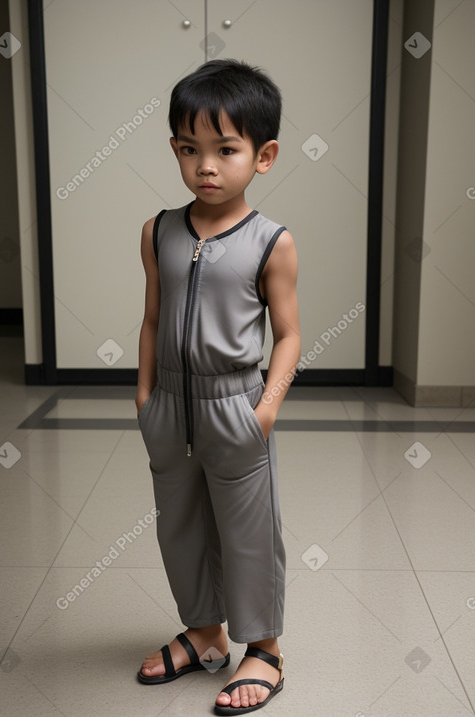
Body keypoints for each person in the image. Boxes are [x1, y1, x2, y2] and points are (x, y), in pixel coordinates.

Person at [135, 58, 300, 715]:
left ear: (263, 156)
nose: (206, 165)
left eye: (225, 149)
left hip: (235, 401)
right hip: (169, 406)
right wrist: (145, 396)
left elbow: (288, 335)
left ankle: (264, 647)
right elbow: (150, 318)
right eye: (189, 149)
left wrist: (264, 411)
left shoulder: (272, 242)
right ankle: (204, 631)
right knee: (179, 525)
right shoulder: (159, 232)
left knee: (248, 530)